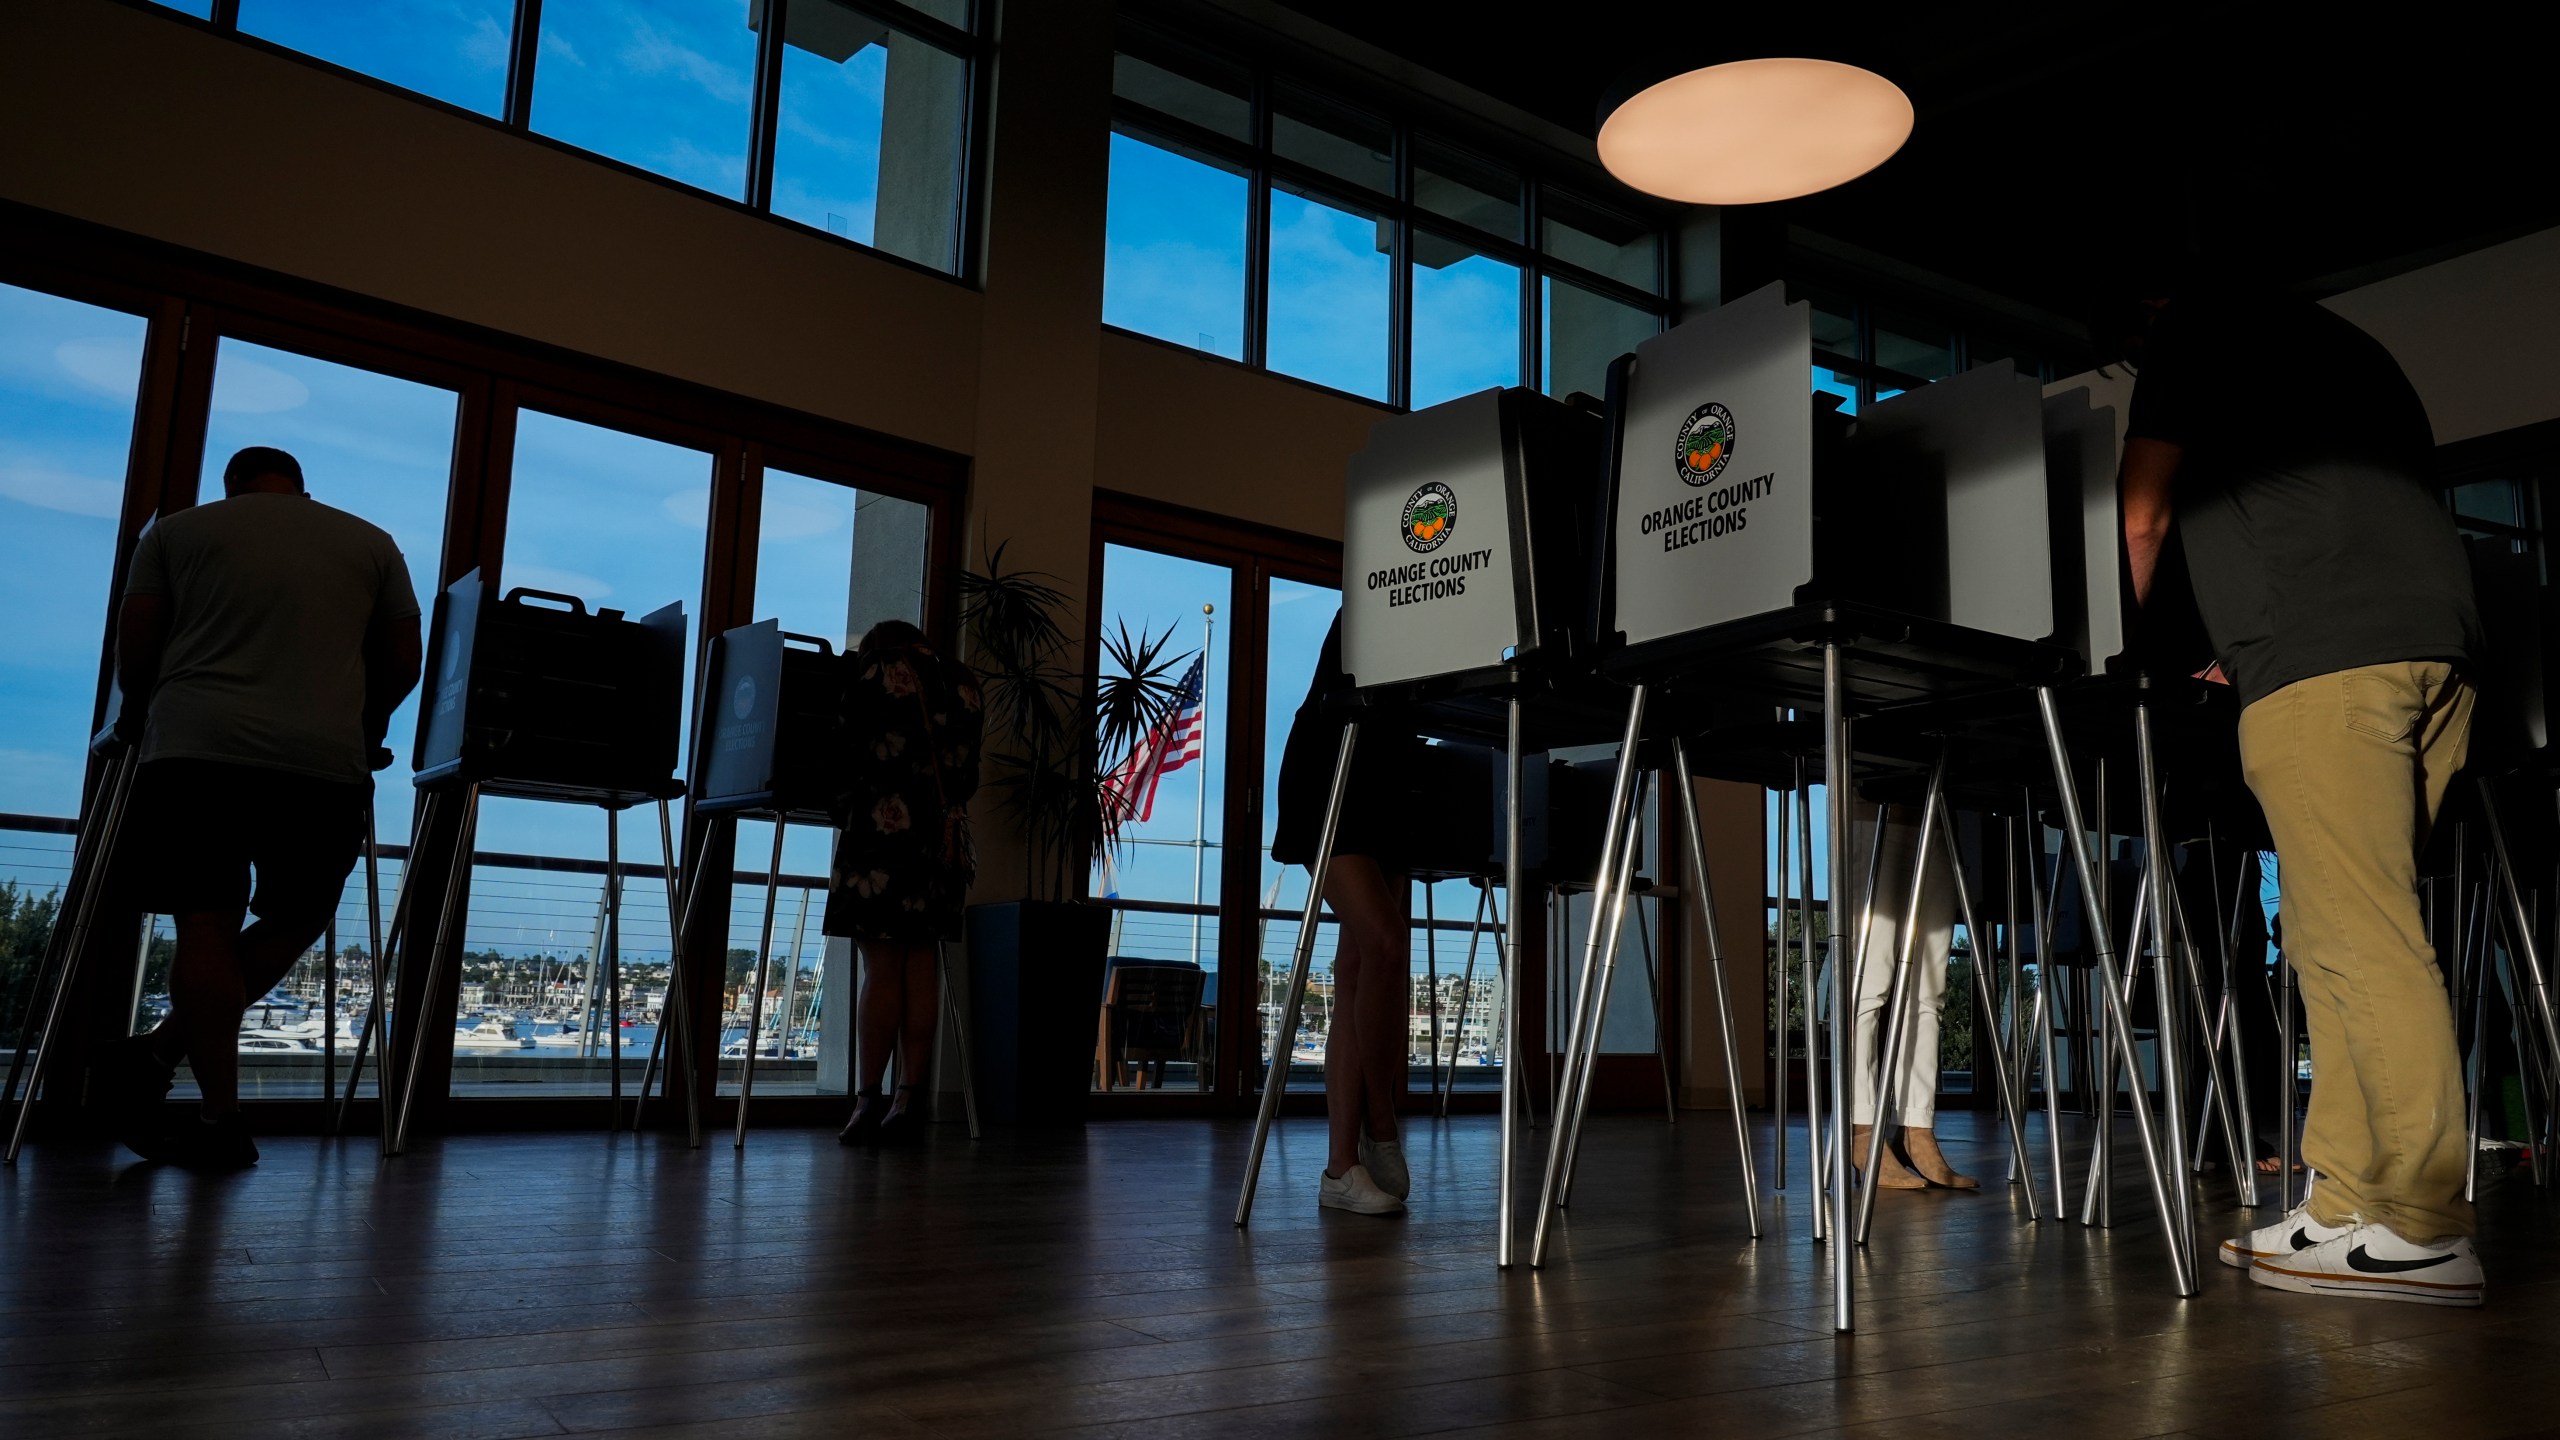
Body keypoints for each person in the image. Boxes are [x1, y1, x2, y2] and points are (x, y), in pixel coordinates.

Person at [2110, 274, 2486, 1305]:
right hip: (2433, 648)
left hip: (2322, 662)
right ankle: (2345, 1203)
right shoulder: (2345, 352)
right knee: (2333, 938)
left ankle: (2425, 1226)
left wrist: (2128, 652)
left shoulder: (2192, 326)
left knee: (2358, 937)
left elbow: (2141, 514)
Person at [94, 445, 422, 1168]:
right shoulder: (372, 544)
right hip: (319, 762)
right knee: (299, 915)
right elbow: (404, 661)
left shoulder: (175, 534)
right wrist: (366, 728)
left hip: (193, 751)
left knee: (204, 921)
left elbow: (138, 644)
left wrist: (137, 716)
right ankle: (156, 1063)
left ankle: (213, 1109)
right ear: (302, 490)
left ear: (233, 486)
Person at [1271, 611, 1425, 1216]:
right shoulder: (1386, 583)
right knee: (1385, 945)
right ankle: (1380, 1123)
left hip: (1389, 766)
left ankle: (1341, 1168)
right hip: (1332, 757)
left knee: (1361, 962)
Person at [829, 620, 982, 1147]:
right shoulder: (965, 682)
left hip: (881, 835)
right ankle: (910, 1098)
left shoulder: (875, 670)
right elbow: (969, 777)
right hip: (939, 844)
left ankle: (868, 1098)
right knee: (921, 967)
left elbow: (844, 753)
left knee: (881, 969)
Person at [1845, 807, 1976, 1192]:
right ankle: (1863, 1129)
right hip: (1871, 810)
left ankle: (1917, 1128)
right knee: (1868, 987)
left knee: (1928, 993)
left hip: (1938, 821)